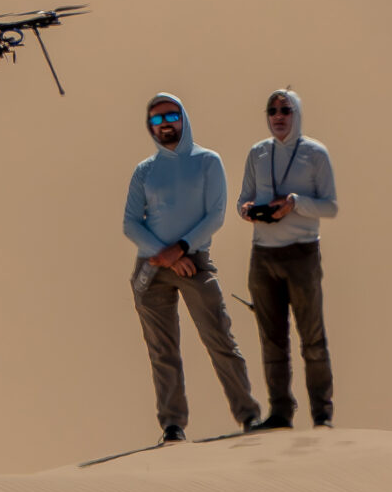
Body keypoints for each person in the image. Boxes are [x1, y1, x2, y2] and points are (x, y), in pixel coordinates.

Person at [123, 93, 264, 444]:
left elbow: (215, 215)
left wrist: (182, 248)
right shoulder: (145, 170)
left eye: (171, 116)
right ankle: (173, 426)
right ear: (150, 126)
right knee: (162, 350)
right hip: (151, 266)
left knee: (219, 338)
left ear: (183, 118)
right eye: (157, 119)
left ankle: (249, 414)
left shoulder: (207, 161)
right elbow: (131, 223)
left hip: (194, 262)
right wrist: (166, 254)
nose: (165, 124)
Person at [237, 89, 339, 428]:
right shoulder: (257, 153)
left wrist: (295, 203)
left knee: (312, 338)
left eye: (286, 110)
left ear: (297, 114)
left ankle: (322, 414)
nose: (278, 117)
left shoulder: (315, 153)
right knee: (272, 339)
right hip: (262, 256)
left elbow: (330, 206)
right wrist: (248, 210)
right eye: (272, 110)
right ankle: (280, 412)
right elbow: (243, 199)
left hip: (302, 254)